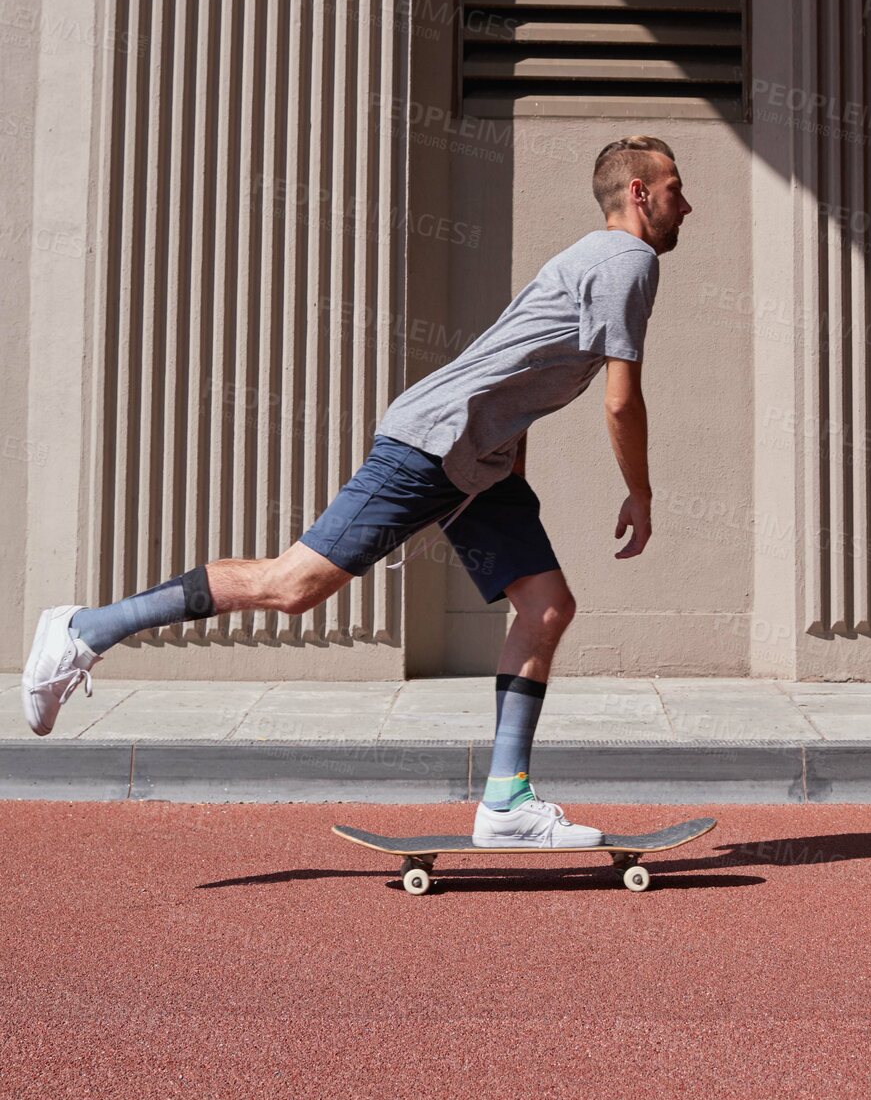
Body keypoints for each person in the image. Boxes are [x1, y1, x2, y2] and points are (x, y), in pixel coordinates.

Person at [22, 137, 692, 847]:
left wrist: (508, 473)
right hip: (433, 444)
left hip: (478, 461)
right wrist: (639, 492)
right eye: (676, 186)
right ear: (639, 193)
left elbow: (515, 364)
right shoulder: (629, 260)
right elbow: (620, 401)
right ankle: (84, 629)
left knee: (546, 604)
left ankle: (506, 802)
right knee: (291, 585)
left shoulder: (591, 257)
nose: (687, 203)